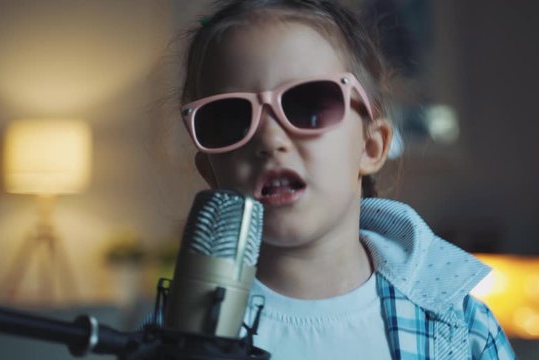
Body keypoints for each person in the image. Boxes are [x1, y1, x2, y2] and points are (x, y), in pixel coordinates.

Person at [178, 0, 516, 358]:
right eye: (230, 119)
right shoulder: (177, 339)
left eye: (308, 106)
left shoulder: (461, 329)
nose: (270, 140)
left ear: (371, 147)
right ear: (211, 173)